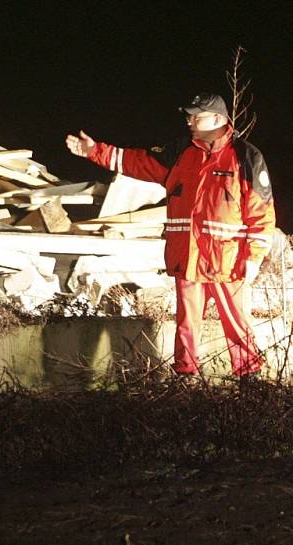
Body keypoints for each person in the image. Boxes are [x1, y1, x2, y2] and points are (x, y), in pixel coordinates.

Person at [66, 92, 276, 378]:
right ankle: (185, 376)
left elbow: (261, 212)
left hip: (227, 262)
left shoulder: (246, 156)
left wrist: (253, 258)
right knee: (186, 324)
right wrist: (94, 151)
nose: (189, 121)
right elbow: (136, 161)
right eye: (188, 116)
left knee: (236, 322)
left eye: (196, 116)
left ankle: (250, 379)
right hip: (187, 257)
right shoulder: (179, 152)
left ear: (218, 118)